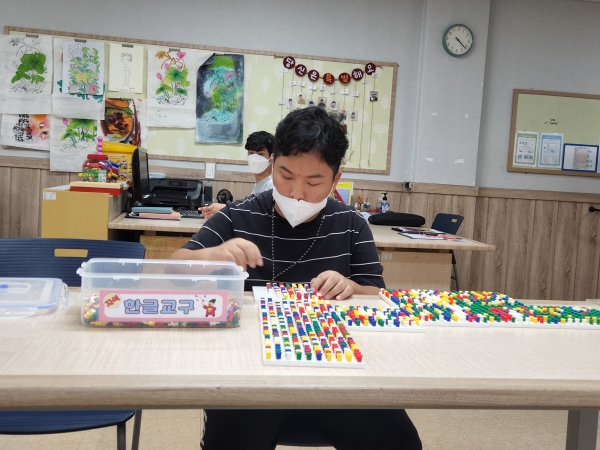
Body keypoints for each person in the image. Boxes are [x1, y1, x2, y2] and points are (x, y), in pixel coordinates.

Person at [172, 107, 422, 450]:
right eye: (285, 175)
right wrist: (210, 255)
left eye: (314, 182)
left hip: (338, 374)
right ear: (273, 162)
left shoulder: (351, 225)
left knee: (399, 442)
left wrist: (349, 286)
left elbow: (376, 294)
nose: (296, 192)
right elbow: (174, 270)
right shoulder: (237, 216)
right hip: (250, 376)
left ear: (335, 179)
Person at [198, 131, 274, 219]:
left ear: (272, 157)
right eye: (252, 153)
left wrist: (226, 209)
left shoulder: (271, 185)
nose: (255, 158)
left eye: (261, 154)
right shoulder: (259, 183)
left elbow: (260, 215)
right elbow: (251, 211)